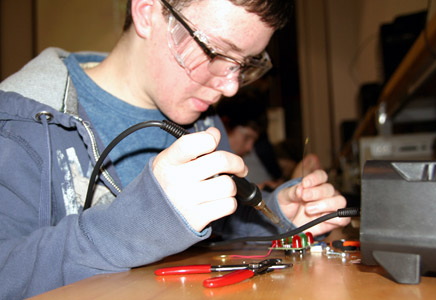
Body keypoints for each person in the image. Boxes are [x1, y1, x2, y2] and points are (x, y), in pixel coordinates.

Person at [0, 0, 349, 298]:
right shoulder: (21, 124)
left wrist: (274, 218)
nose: (230, 87)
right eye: (216, 52)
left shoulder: (204, 125)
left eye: (244, 64)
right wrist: (137, 226)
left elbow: (215, 236)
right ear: (148, 11)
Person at [217, 90, 322, 190]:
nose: (249, 147)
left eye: (253, 140)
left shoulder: (255, 152)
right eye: (247, 137)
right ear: (225, 124)